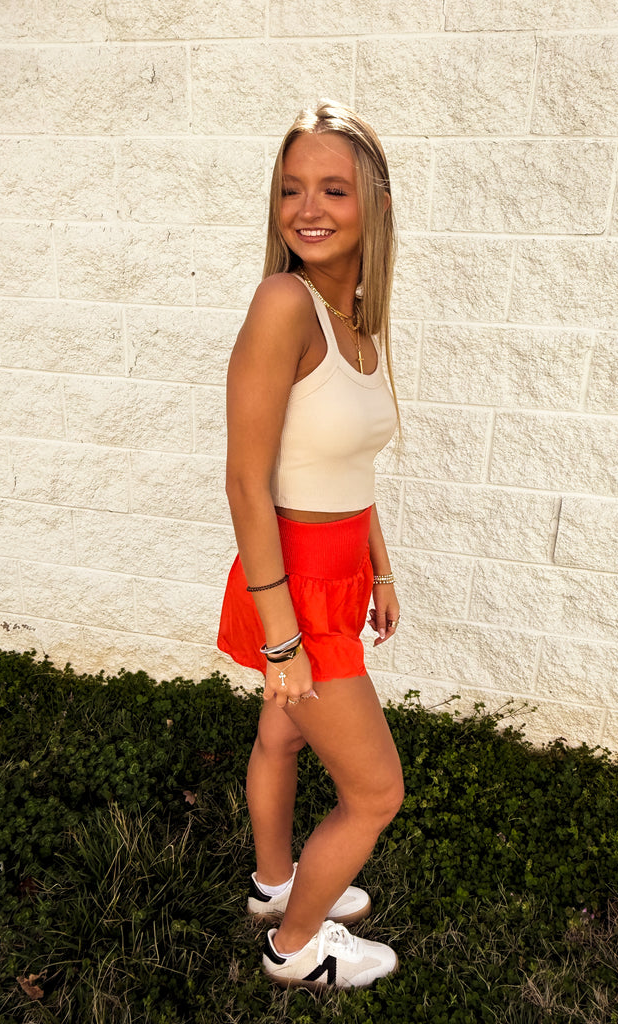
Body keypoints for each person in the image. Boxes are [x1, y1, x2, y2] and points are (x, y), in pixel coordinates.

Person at [217, 100, 404, 990]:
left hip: (339, 575)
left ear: (375, 206)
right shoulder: (284, 302)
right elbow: (246, 483)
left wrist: (382, 566)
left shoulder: (357, 321)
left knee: (281, 738)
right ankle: (294, 947)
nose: (307, 208)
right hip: (291, 591)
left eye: (333, 188)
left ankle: (274, 885)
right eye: (292, 188)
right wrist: (282, 639)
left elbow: (349, 465)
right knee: (375, 792)